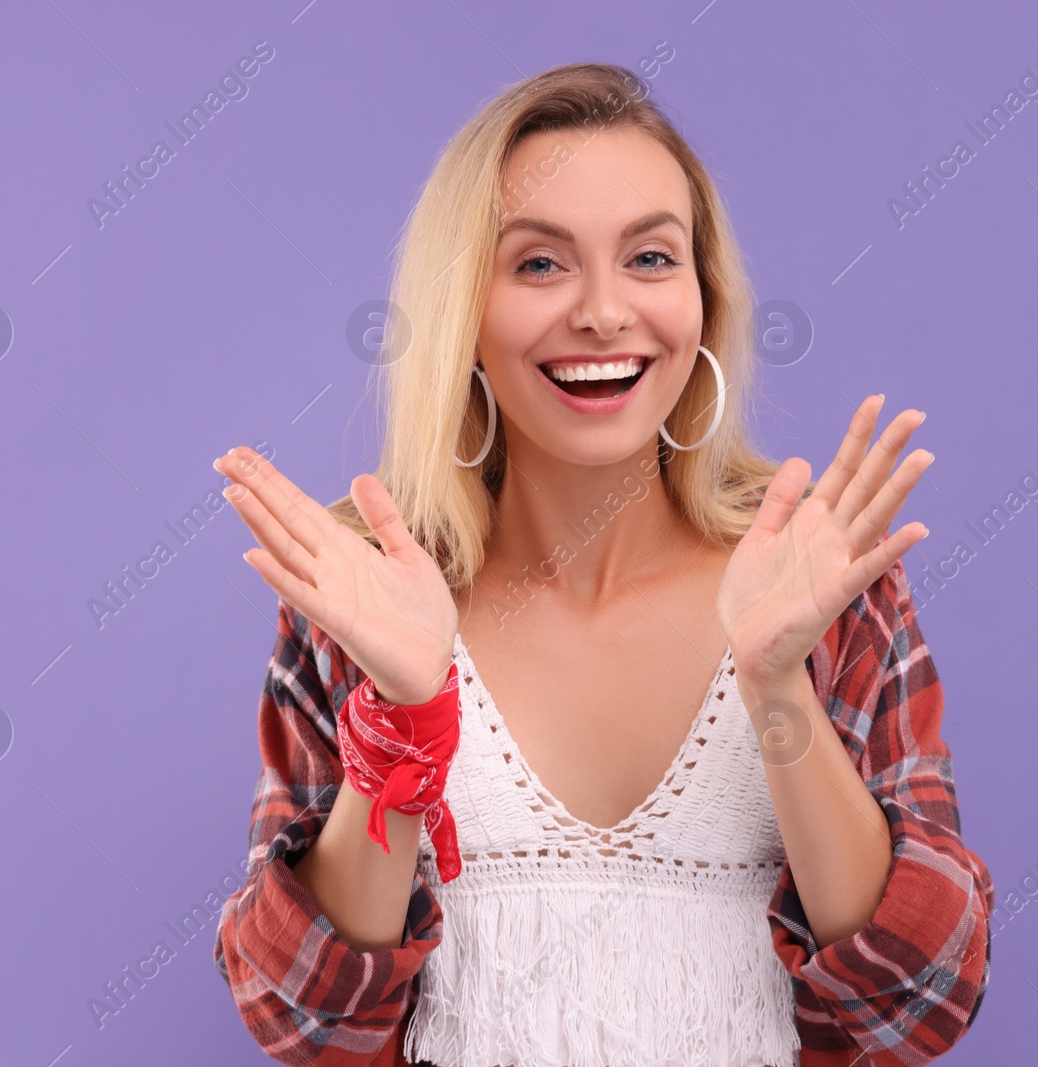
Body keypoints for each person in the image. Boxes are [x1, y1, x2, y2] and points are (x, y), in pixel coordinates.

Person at [212, 62, 992, 1067]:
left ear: (703, 300)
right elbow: (304, 1020)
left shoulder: (822, 590)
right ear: (466, 316)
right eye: (539, 264)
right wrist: (403, 723)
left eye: (650, 259)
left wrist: (772, 682)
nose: (603, 311)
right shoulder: (367, 597)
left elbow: (921, 1001)